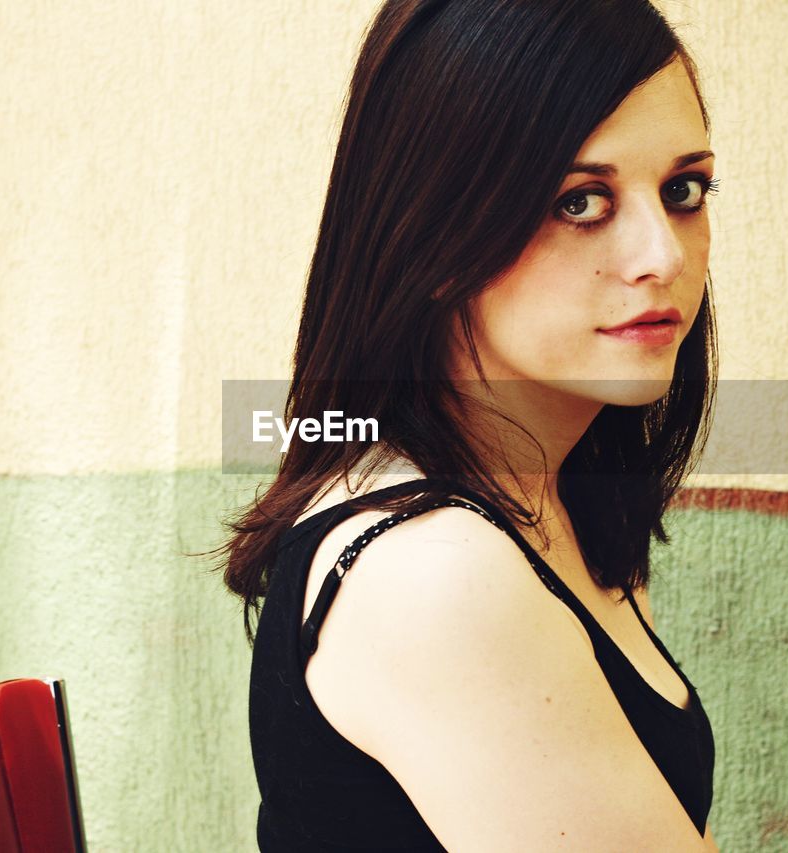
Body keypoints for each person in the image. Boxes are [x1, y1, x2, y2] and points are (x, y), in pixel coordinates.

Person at [216, 0, 722, 848]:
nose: (663, 255)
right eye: (579, 201)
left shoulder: (547, 499)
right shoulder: (438, 574)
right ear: (436, 226)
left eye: (682, 190)